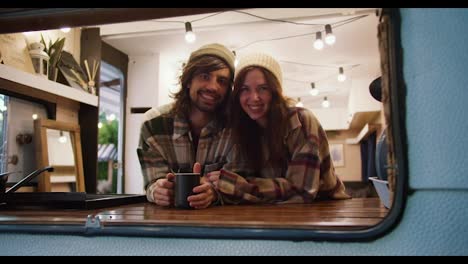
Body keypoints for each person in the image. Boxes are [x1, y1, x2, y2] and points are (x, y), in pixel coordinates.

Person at [208, 52, 350, 204]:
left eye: (263, 88)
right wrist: (213, 189)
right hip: (274, 212)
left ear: (276, 91)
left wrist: (241, 186)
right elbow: (233, 180)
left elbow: (301, 191)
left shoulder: (300, 120)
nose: (254, 97)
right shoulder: (244, 129)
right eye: (244, 89)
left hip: (326, 209)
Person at [137, 43, 235, 209]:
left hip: (221, 225)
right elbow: (152, 181)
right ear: (188, 80)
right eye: (205, 76)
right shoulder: (153, 125)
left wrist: (215, 193)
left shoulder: (235, 128)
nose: (213, 86)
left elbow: (239, 181)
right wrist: (158, 191)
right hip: (170, 224)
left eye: (222, 81)